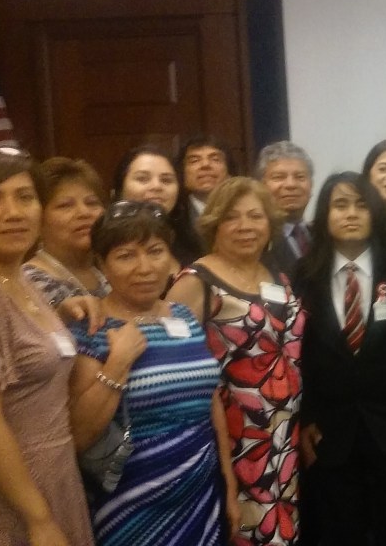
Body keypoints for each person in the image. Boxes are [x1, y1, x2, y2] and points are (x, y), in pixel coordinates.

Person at [66, 199, 238, 545]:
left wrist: (229, 484)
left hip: (200, 493)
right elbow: (79, 434)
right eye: (126, 255)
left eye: (155, 251)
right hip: (132, 502)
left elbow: (210, 401)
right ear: (102, 263)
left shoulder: (184, 316)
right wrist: (118, 364)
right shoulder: (93, 327)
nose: (145, 267)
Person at [296, 172, 386, 546]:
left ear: (375, 213)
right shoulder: (304, 276)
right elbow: (299, 355)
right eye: (340, 205)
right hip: (331, 435)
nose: (351, 214)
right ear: (325, 215)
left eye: (361, 205)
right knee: (337, 534)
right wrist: (307, 416)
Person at [166, 177, 305, 546]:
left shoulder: (276, 275)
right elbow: (174, 365)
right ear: (214, 223)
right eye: (233, 217)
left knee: (277, 529)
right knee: (240, 530)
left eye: (255, 216)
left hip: (282, 433)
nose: (246, 226)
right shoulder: (197, 281)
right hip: (231, 437)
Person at [0, 146, 95, 546]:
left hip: (56, 475)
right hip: (15, 493)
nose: (13, 212)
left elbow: (24, 352)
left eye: (25, 197)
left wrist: (62, 314)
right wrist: (37, 518)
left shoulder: (21, 280)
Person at [23, 157, 110, 305]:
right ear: (38, 218)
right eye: (65, 205)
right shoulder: (31, 283)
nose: (84, 212)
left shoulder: (110, 271)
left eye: (92, 203)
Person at [113, 145, 202, 267]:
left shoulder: (193, 243)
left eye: (166, 180)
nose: (156, 186)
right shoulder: (103, 243)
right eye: (143, 179)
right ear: (120, 188)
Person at [257, 140, 314, 276]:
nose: (290, 184)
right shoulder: (256, 240)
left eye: (300, 177)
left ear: (311, 185)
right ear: (261, 186)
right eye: (279, 177)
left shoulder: (324, 235)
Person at [178, 133, 234, 222]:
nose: (205, 165)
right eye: (194, 160)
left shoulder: (245, 212)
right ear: (183, 174)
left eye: (215, 159)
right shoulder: (173, 219)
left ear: (229, 172)